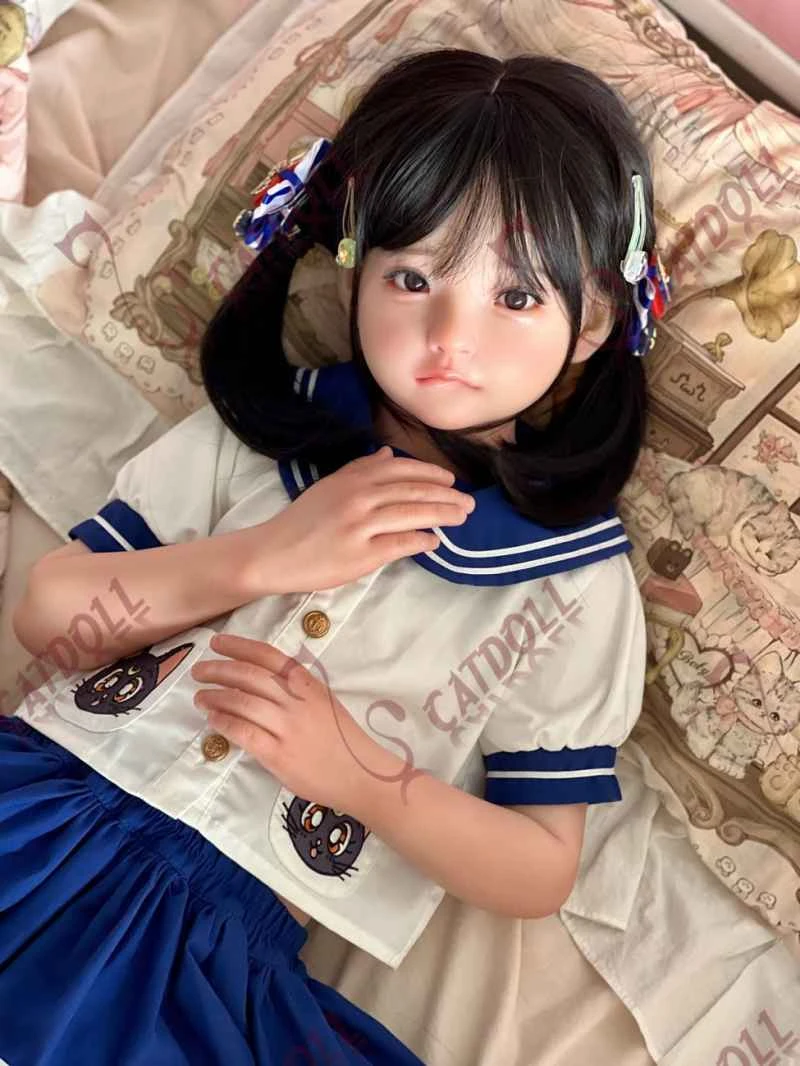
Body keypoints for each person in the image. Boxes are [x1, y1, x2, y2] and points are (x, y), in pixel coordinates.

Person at [0, 48, 668, 1066]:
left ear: (594, 322)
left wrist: (360, 775)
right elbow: (51, 611)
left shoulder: (572, 584)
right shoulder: (261, 442)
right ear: (354, 269)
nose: (448, 333)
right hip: (38, 803)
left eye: (516, 297)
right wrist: (262, 558)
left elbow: (539, 866)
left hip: (209, 951)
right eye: (412, 277)